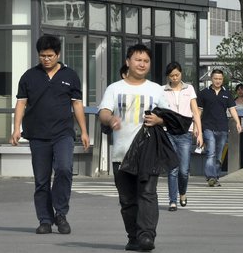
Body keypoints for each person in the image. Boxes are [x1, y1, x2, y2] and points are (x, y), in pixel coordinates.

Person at [10, 35, 90, 235]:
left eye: (50, 55)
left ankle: (61, 213)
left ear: (58, 54)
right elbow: (21, 102)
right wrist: (16, 128)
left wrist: (84, 131)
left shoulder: (70, 75)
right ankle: (45, 219)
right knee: (42, 179)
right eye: (42, 56)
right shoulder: (29, 76)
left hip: (63, 133)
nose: (46, 59)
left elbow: (77, 104)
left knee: (64, 169)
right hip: (37, 135)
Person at [98, 44, 170, 251]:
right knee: (127, 200)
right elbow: (103, 111)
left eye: (146, 61)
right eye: (138, 60)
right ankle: (133, 236)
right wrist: (110, 118)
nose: (142, 64)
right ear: (128, 62)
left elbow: (169, 118)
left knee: (147, 194)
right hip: (121, 153)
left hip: (149, 152)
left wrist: (159, 119)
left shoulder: (156, 90)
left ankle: (147, 236)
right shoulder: (114, 88)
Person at [162, 62, 203, 211]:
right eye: (172, 76)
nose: (175, 78)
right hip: (169, 133)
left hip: (185, 133)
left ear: (181, 74)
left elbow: (195, 111)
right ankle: (172, 200)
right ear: (168, 77)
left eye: (177, 75)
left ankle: (183, 193)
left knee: (184, 171)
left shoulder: (189, 89)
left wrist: (199, 132)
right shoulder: (163, 91)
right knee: (172, 168)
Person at [197, 69, 242, 187]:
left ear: (223, 80)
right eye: (215, 78)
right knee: (211, 152)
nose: (218, 81)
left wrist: (237, 122)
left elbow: (232, 109)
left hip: (222, 128)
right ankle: (210, 177)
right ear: (211, 79)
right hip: (208, 127)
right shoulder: (203, 93)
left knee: (218, 155)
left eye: (220, 79)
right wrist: (196, 126)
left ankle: (215, 177)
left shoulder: (227, 93)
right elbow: (199, 111)